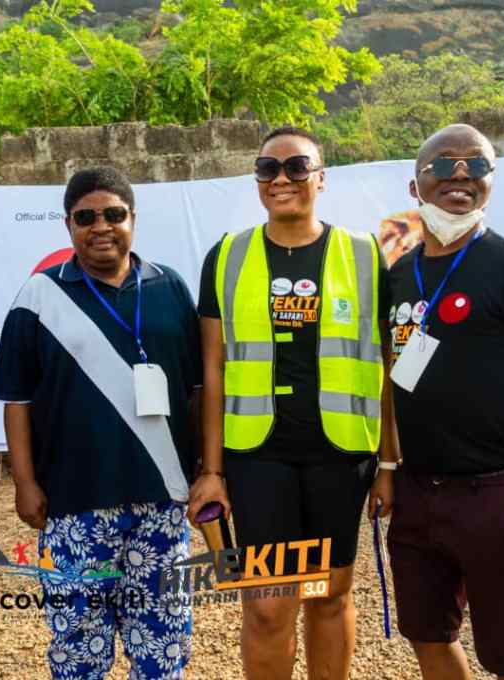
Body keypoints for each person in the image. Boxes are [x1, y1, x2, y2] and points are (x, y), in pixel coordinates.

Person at [188, 126, 399, 680]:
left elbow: (385, 367)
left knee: (328, 595)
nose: (281, 178)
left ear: (321, 178)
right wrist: (211, 471)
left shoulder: (364, 254)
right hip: (259, 458)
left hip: (340, 454)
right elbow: (212, 371)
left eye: (297, 167)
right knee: (267, 605)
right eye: (267, 169)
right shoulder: (227, 255)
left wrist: (389, 464)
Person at [0, 166, 201, 680]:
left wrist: (205, 469)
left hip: (162, 499)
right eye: (86, 217)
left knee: (163, 640)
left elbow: (196, 388)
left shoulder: (170, 286)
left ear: (133, 218)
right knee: (78, 646)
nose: (101, 226)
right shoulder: (38, 296)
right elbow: (16, 401)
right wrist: (24, 483)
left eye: (113, 214)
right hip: (74, 503)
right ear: (68, 224)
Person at [385, 124, 504, 680]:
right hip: (418, 492)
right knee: (427, 637)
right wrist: (390, 469)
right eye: (444, 165)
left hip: (494, 491)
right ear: (415, 185)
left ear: (492, 181)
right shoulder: (399, 275)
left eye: (477, 165)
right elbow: (389, 380)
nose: (461, 175)